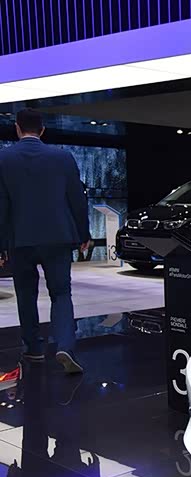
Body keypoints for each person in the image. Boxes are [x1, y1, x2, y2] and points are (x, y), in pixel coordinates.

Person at [0, 109, 89, 373]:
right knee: (61, 293)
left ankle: (33, 348)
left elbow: (1, 205)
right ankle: (65, 345)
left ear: (17, 128)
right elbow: (77, 198)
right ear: (42, 130)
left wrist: (1, 244)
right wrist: (83, 234)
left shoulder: (3, 158)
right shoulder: (63, 157)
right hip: (58, 236)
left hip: (20, 238)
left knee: (25, 294)